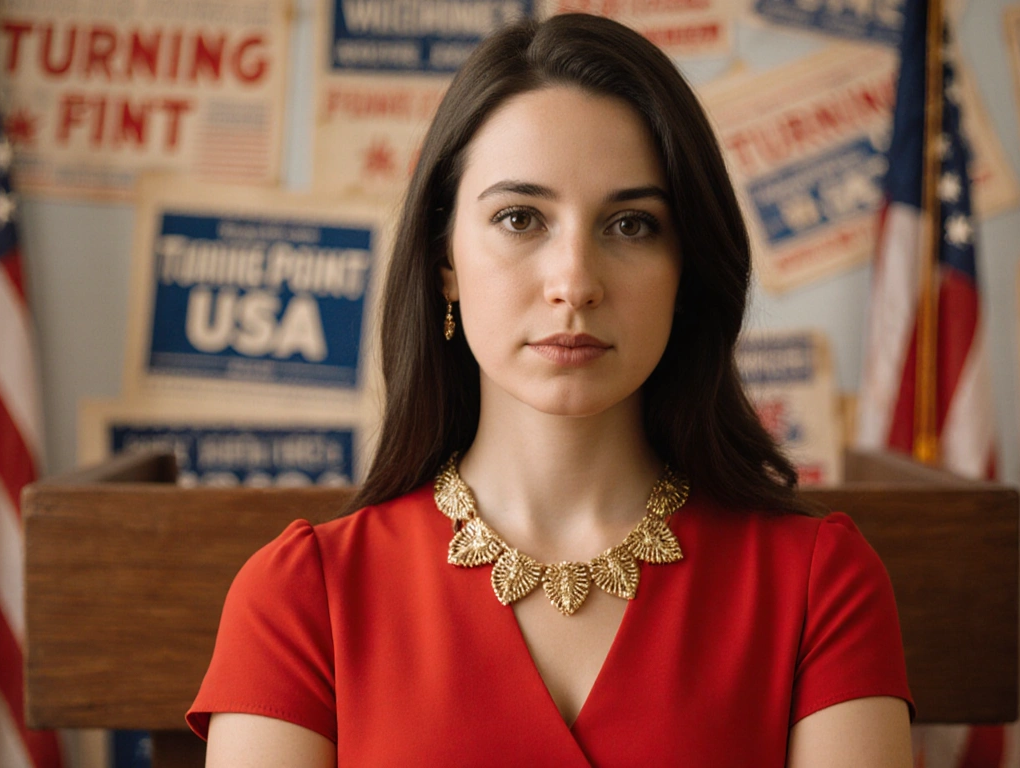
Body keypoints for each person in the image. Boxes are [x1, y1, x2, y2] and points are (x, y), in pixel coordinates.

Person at [187, 13, 913, 767]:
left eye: (631, 225)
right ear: (445, 261)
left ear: (687, 268)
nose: (575, 282)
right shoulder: (303, 596)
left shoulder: (818, 584)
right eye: (520, 218)